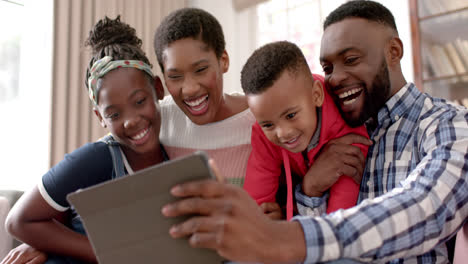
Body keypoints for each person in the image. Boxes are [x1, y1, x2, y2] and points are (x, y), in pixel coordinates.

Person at [161, 1, 468, 263]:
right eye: (328, 67)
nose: (336, 79)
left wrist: (284, 237)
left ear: (394, 51)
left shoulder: (448, 123)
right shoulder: (325, 132)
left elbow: (425, 208)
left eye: (351, 60)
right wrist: (310, 189)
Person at [2, 16, 167, 264]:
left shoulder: (175, 151)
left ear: (158, 89)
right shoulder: (98, 157)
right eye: (114, 114)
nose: (130, 120)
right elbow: (18, 220)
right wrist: (111, 254)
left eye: (139, 101)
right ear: (100, 117)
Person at [241, 41, 369, 220]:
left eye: (291, 115)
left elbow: (338, 223)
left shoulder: (347, 125)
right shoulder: (262, 134)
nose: (283, 133)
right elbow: (254, 208)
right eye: (268, 124)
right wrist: (266, 224)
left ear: (316, 95)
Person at [153, 8, 255, 187]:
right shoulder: (162, 118)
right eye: (175, 77)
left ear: (223, 60)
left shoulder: (260, 119)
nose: (190, 89)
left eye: (200, 70)